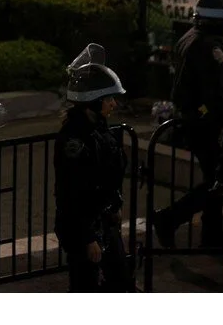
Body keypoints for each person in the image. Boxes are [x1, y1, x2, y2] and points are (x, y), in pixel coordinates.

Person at [153, 0, 223, 248]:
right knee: (218, 181)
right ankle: (170, 219)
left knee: (215, 178)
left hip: (194, 120)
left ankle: (211, 233)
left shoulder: (190, 38)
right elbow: (216, 94)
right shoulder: (209, 47)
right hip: (206, 124)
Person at [54, 43, 132, 293]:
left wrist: (115, 205)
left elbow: (109, 175)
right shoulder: (74, 140)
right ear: (93, 101)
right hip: (85, 230)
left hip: (103, 222)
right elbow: (74, 193)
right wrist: (88, 238)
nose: (113, 104)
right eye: (109, 98)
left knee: (120, 284)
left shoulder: (98, 129)